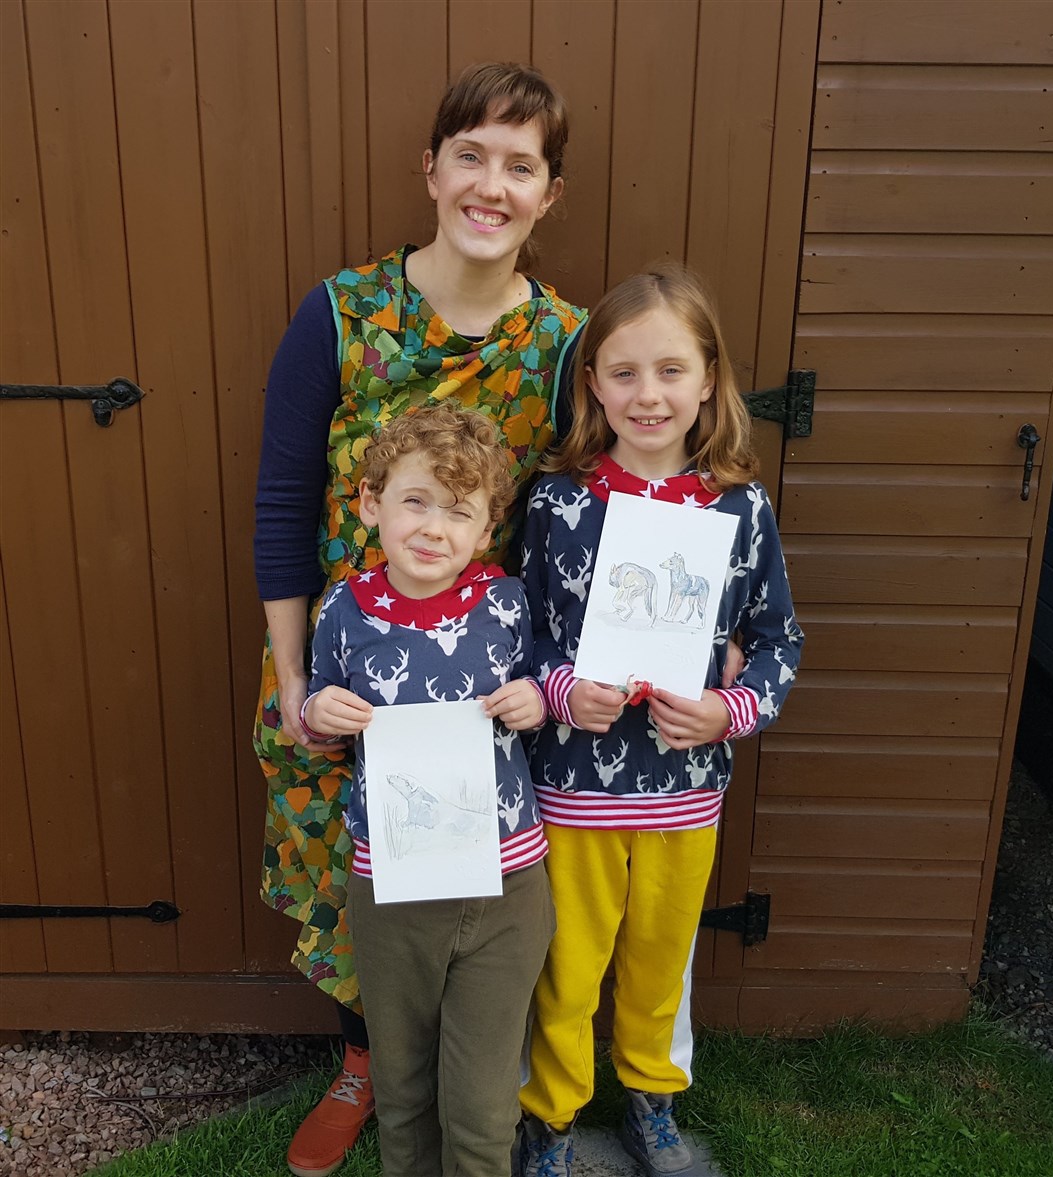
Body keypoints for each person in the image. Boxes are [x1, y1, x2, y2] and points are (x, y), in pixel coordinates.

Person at [253, 62, 585, 1177]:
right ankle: (367, 1063)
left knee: (474, 887)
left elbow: (592, 507)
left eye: (521, 164)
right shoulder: (342, 313)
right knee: (357, 872)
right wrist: (297, 681)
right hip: (348, 669)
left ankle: (483, 1091)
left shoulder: (567, 343)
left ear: (549, 193)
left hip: (486, 676)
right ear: (432, 170)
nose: (492, 184)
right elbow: (283, 501)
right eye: (473, 155)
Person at [518, 265, 804, 1177]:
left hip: (685, 796)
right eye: (625, 372)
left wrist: (729, 707)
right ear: (592, 382)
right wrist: (565, 692)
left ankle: (651, 1100)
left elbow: (778, 640)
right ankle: (551, 1119)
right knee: (567, 968)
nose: (649, 395)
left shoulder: (739, 506)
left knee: (659, 964)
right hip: (574, 791)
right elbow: (516, 638)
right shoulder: (558, 500)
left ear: (710, 379)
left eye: (672, 370)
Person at [300, 405, 554, 1177]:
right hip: (395, 890)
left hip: (505, 884)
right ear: (372, 503)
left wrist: (537, 700)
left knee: (480, 1107)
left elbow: (549, 694)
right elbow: (319, 716)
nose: (434, 527)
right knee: (406, 1092)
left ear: (485, 531)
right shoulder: (344, 611)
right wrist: (318, 710)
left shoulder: (508, 604)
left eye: (459, 511)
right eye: (416, 501)